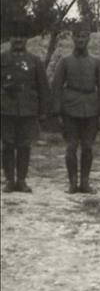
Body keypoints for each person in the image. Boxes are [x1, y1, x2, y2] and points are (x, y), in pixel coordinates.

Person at [51, 25, 100, 194]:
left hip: (91, 109)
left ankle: (85, 182)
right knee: (71, 147)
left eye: (83, 37)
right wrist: (57, 112)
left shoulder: (96, 62)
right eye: (77, 37)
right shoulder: (65, 61)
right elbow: (56, 87)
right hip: (70, 109)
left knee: (88, 147)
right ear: (73, 39)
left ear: (88, 39)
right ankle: (72, 182)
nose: (80, 40)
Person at [1, 36, 50, 193]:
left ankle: (21, 180)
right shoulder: (2, 58)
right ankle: (9, 180)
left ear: (26, 40)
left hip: (27, 109)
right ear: (10, 39)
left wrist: (43, 111)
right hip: (6, 108)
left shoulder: (35, 61)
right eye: (15, 37)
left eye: (22, 37)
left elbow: (43, 87)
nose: (18, 40)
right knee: (7, 145)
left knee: (24, 145)